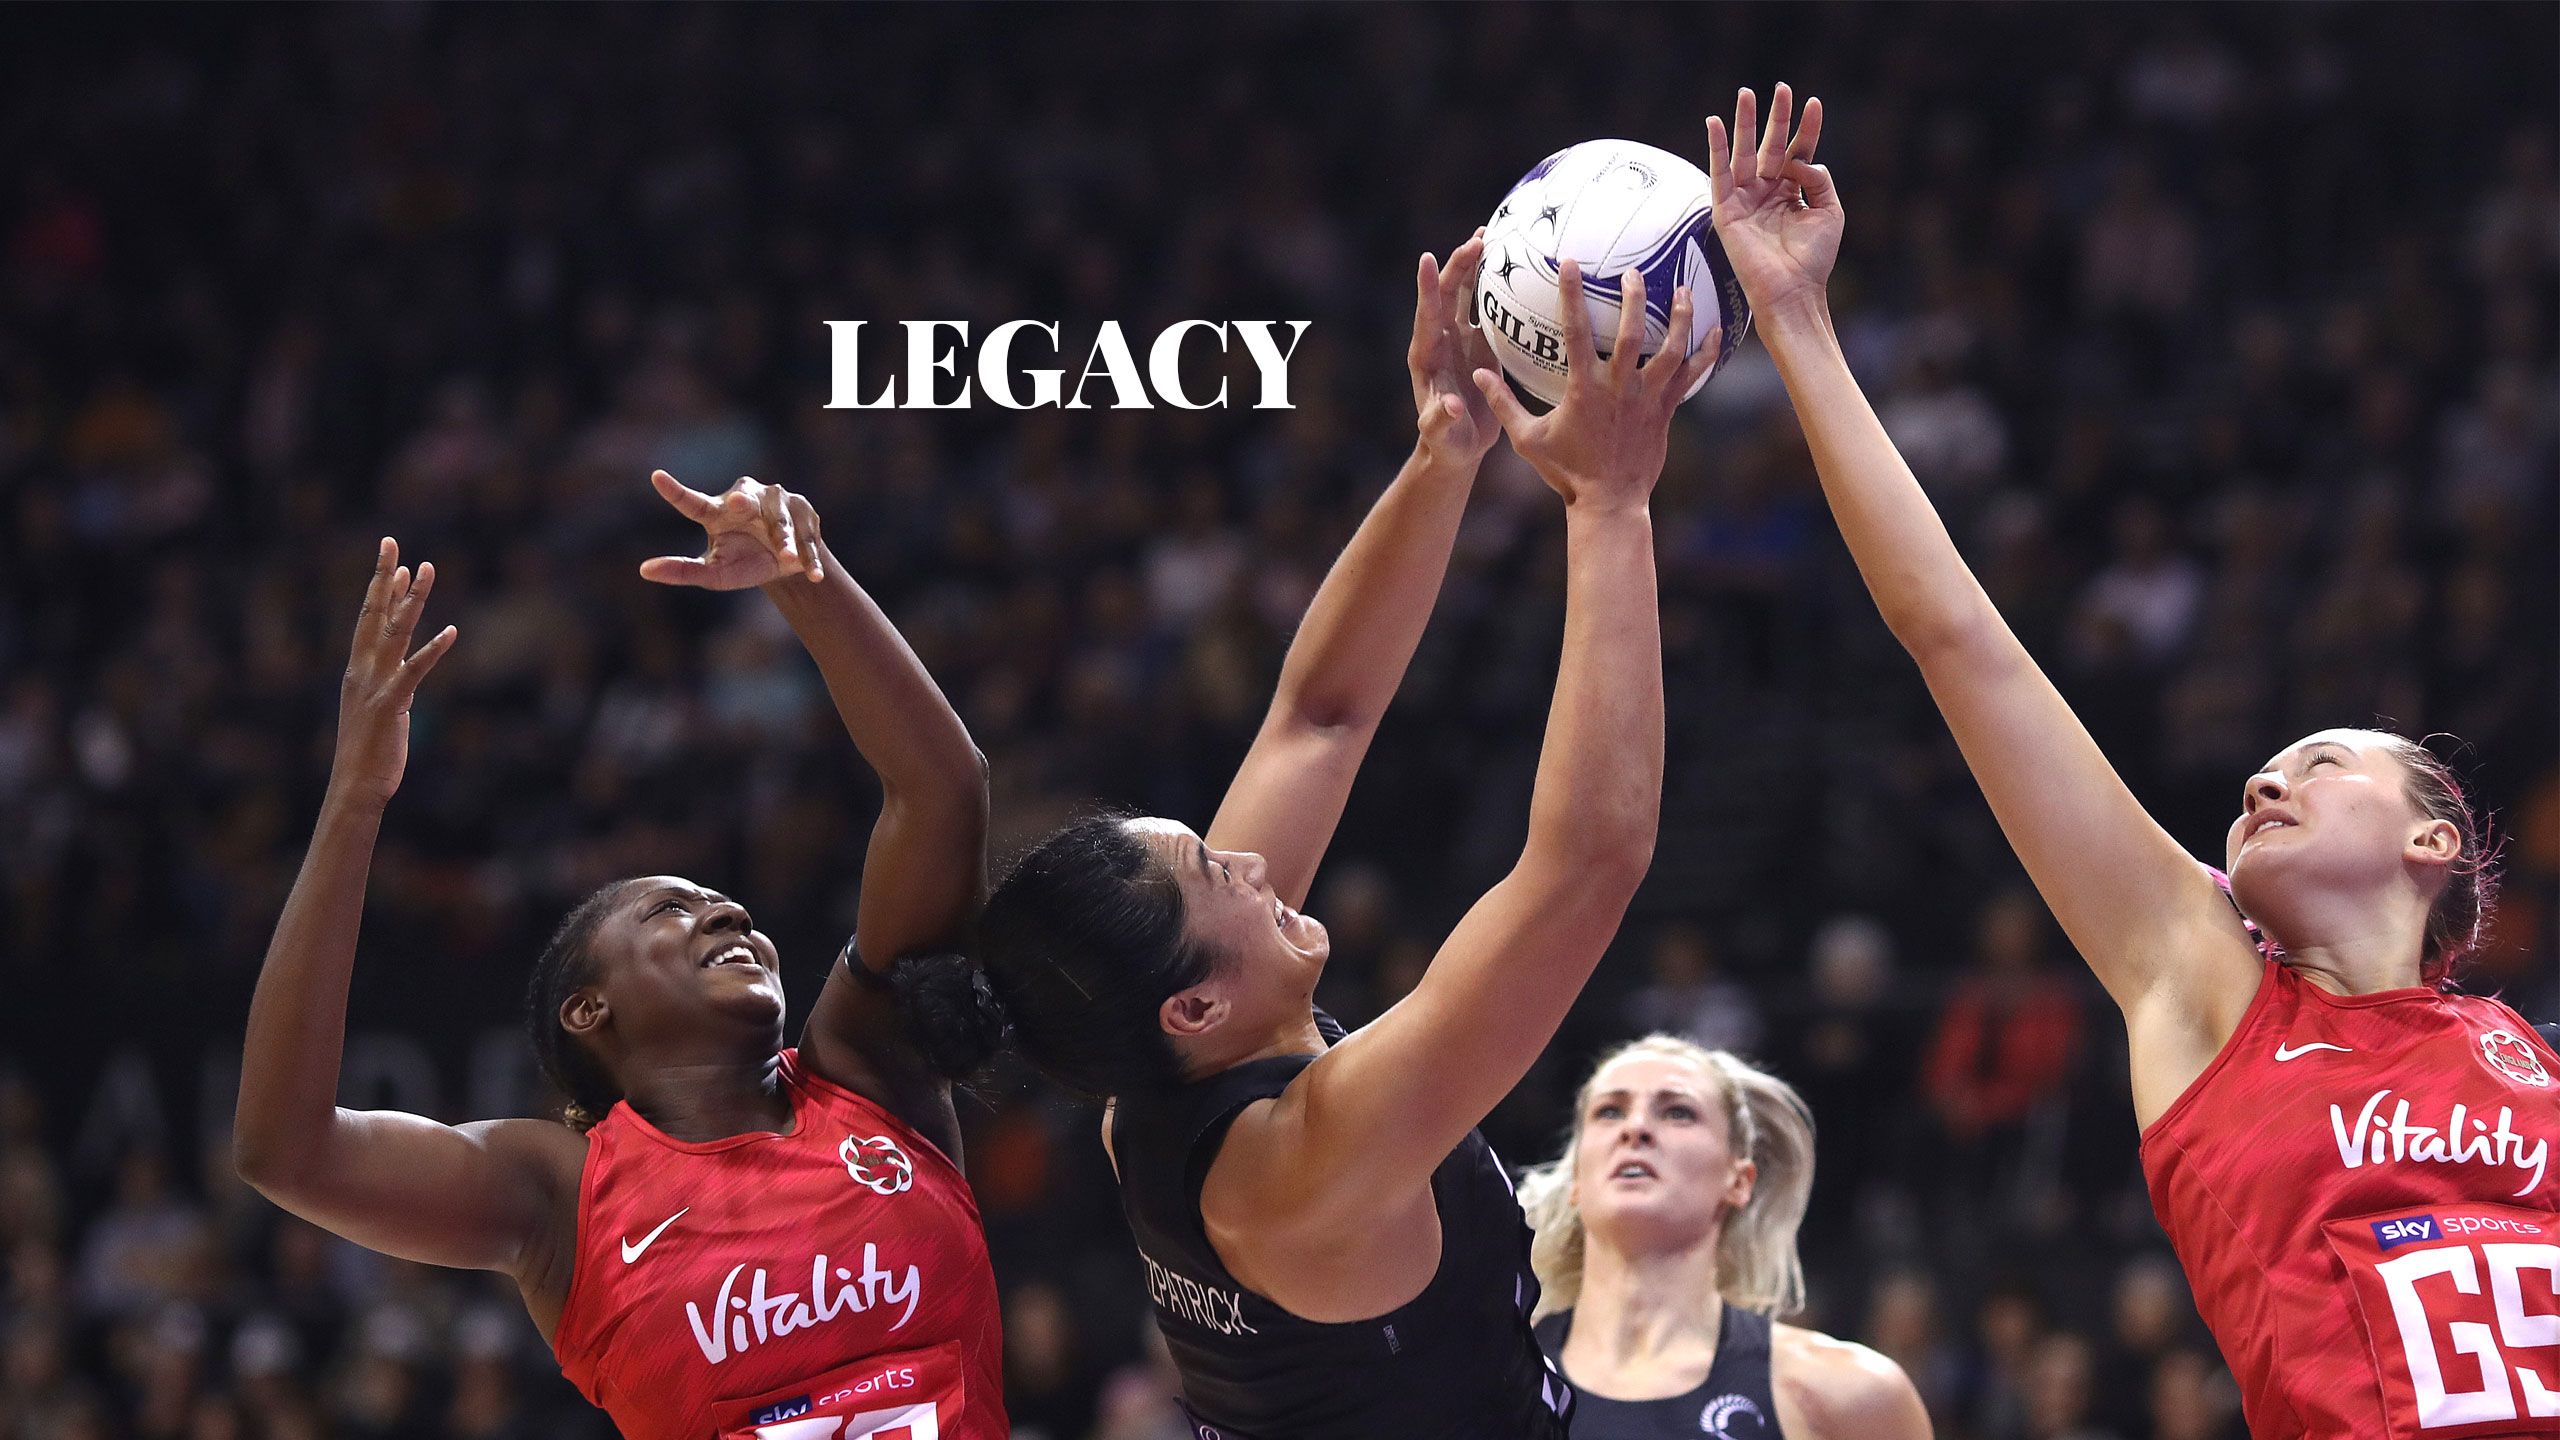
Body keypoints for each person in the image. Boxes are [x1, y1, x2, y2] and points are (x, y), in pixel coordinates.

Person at [1704, 83, 2559, 1438]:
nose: (2262, 785)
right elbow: (1960, 643)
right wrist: (1798, 318)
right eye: (2263, 770)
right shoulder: (2206, 987)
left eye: (2319, 763)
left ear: (2431, 839)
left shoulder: (2530, 1061)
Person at [939, 237, 1714, 1439]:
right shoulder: (1304, 1165)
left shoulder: (1155, 1081)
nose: (1255, 862)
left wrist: (1443, 451)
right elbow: (1587, 867)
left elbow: (1318, 722)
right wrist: (1609, 506)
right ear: (1193, 1006)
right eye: (1217, 872)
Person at [233, 474, 1009, 1439]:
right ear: (587, 1008)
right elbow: (285, 1149)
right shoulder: (561, 1195)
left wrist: (804, 577)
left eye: (726, 905)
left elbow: (942, 791)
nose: (730, 913)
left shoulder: (869, 1069)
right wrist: (354, 801)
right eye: (672, 910)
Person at [1518, 1036, 1929, 1440]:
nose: (1636, 1128)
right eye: (1610, 1111)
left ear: (1739, 1181)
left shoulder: (1846, 1396)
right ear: (1576, 1178)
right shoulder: (1494, 1377)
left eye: (1678, 1112)